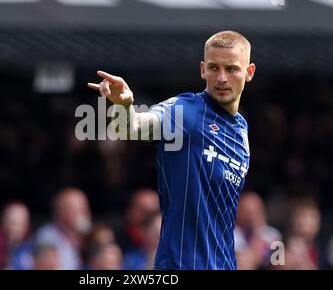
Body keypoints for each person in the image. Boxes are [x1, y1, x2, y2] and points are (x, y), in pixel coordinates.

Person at [88, 30, 255, 270]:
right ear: (202, 70)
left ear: (249, 72)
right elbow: (132, 128)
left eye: (231, 69)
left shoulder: (242, 130)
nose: (221, 78)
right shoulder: (186, 111)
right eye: (213, 67)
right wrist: (123, 105)